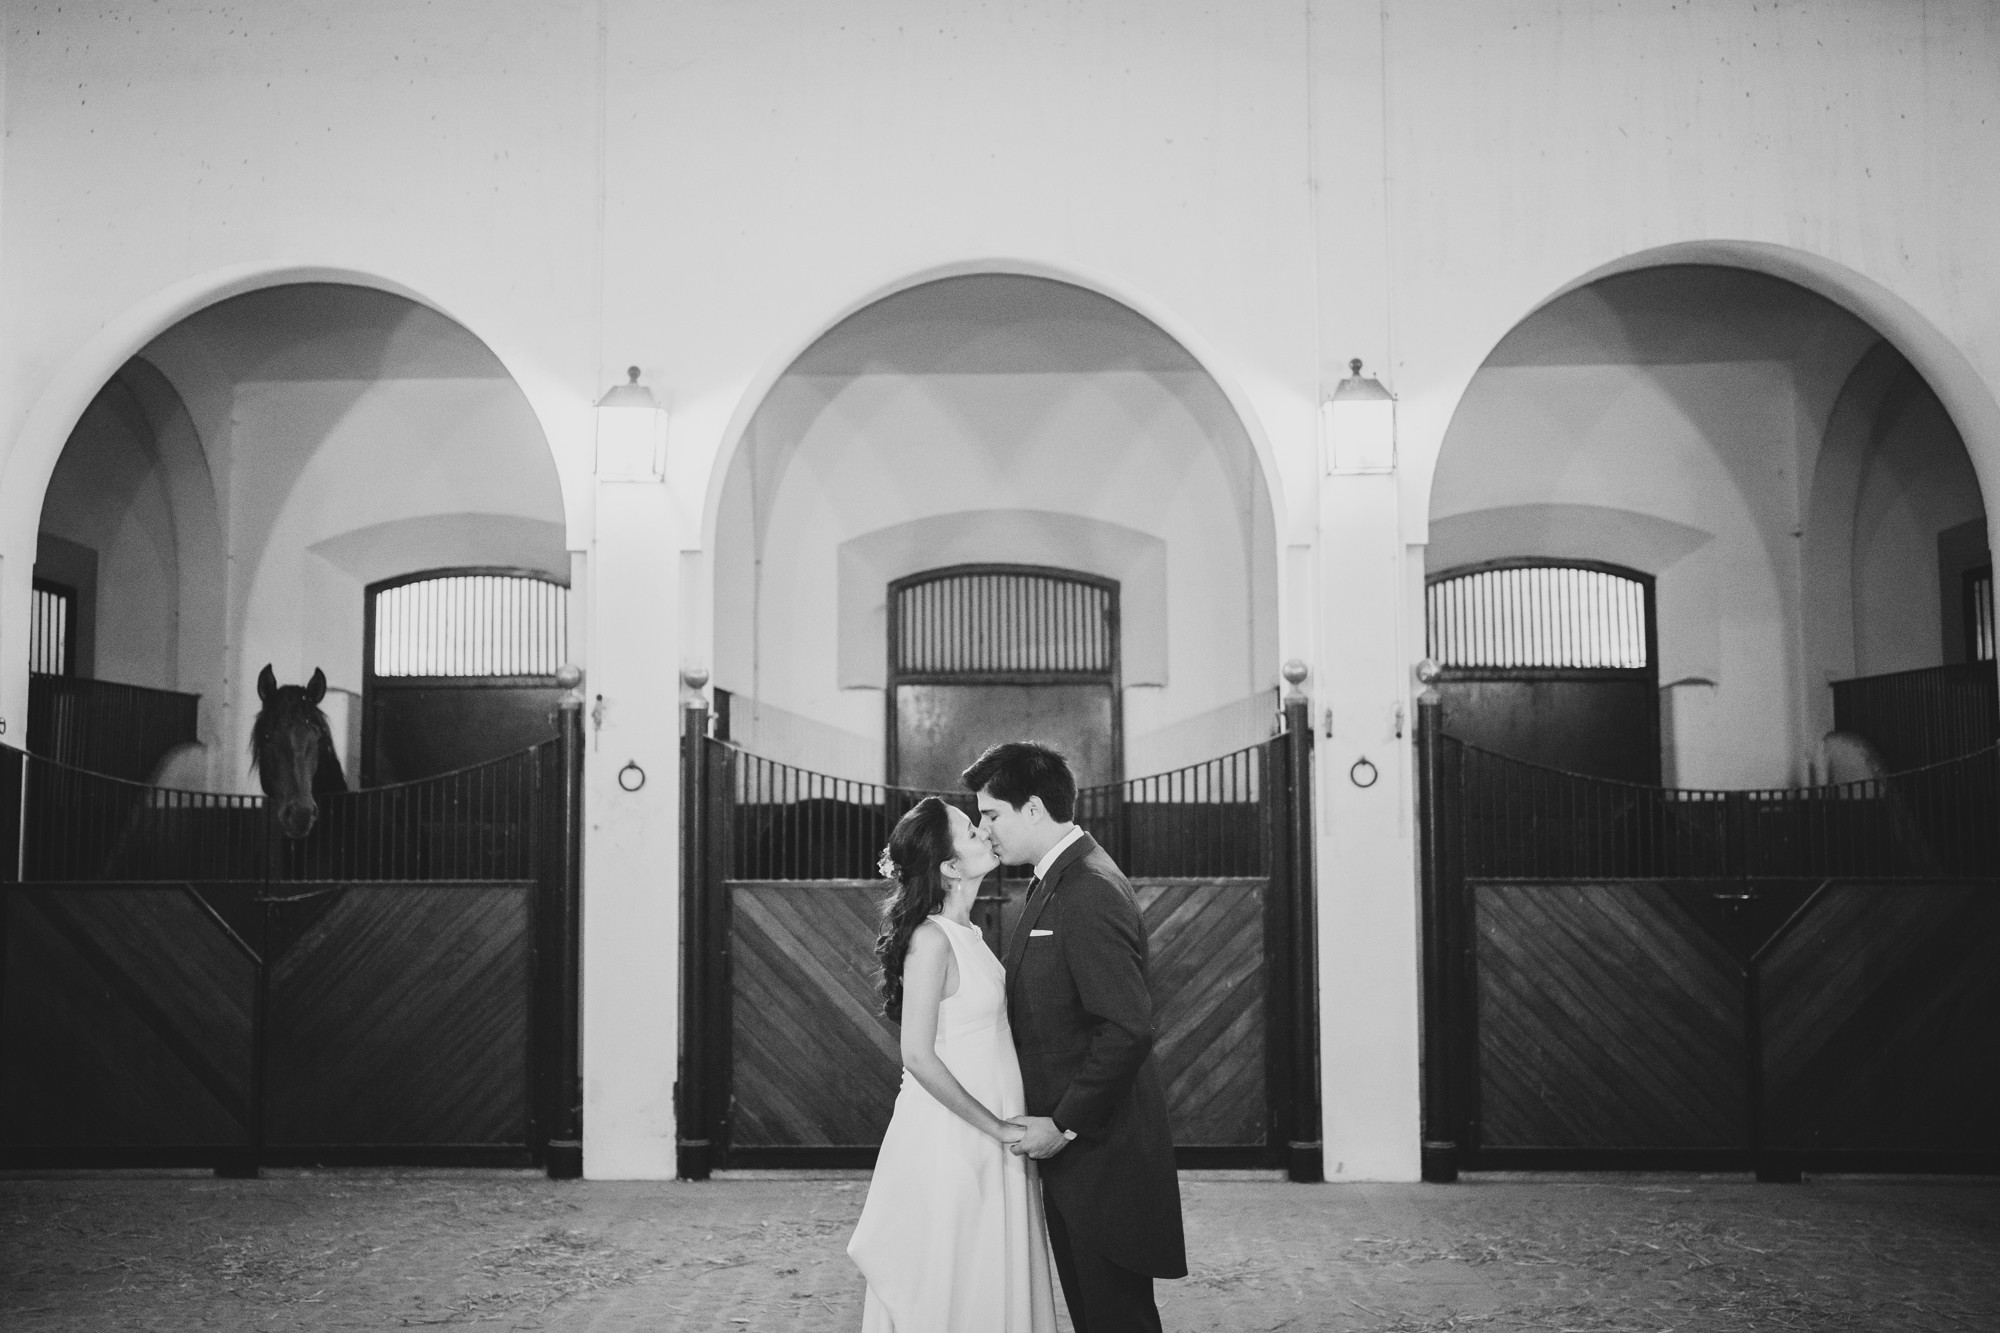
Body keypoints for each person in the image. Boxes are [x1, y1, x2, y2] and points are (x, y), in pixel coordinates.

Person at [964, 742, 1187, 1333]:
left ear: (1033, 808)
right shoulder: (1054, 879)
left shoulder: (1086, 886)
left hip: (1100, 1149)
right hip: (1082, 1152)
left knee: (1117, 1318)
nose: (986, 831)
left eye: (992, 815)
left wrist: (1063, 1124)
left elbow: (1126, 1025)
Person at [847, 796, 1059, 1333]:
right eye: (971, 830)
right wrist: (995, 1126)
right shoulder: (930, 939)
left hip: (991, 1130)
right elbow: (917, 1054)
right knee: (955, 1274)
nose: (985, 832)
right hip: (954, 1136)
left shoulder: (971, 934)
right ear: (949, 867)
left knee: (988, 1266)